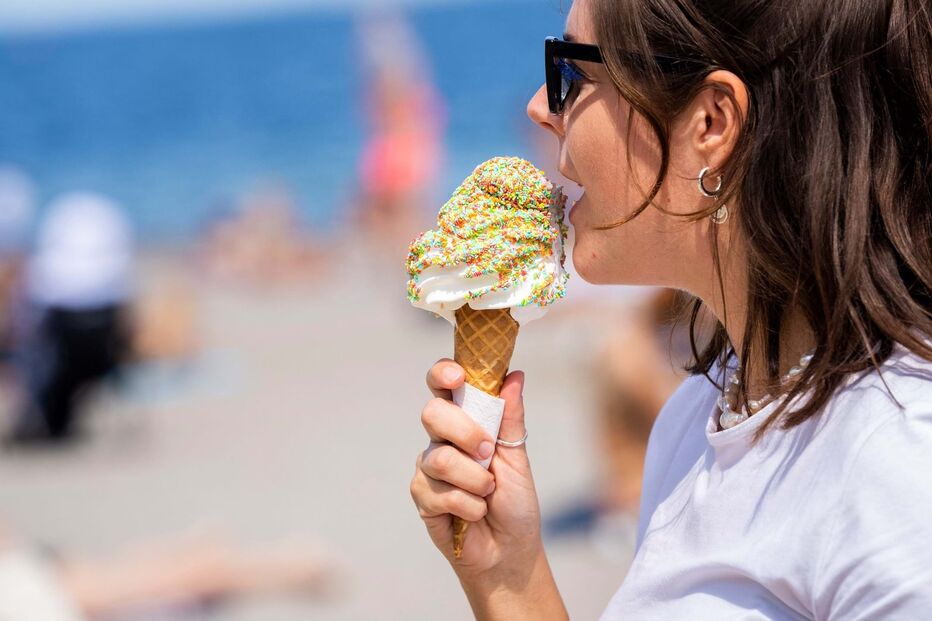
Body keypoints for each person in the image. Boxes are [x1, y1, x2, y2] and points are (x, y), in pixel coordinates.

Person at [409, 0, 932, 618]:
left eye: (571, 72)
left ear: (710, 123)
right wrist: (509, 575)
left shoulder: (899, 471)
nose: (539, 107)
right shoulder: (696, 416)